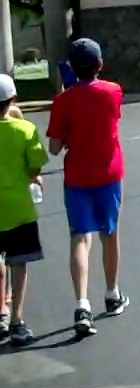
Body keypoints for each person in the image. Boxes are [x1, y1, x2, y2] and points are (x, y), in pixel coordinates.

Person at [46, 38, 127, 338]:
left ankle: (82, 304)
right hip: (108, 174)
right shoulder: (113, 91)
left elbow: (55, 147)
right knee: (109, 233)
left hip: (77, 178)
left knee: (79, 238)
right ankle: (112, 293)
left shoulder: (63, 102)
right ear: (100, 64)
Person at [0, 74, 49, 347]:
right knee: (18, 264)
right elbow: (35, 166)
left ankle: (1, 313)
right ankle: (17, 321)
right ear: (13, 100)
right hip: (19, 209)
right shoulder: (25, 129)